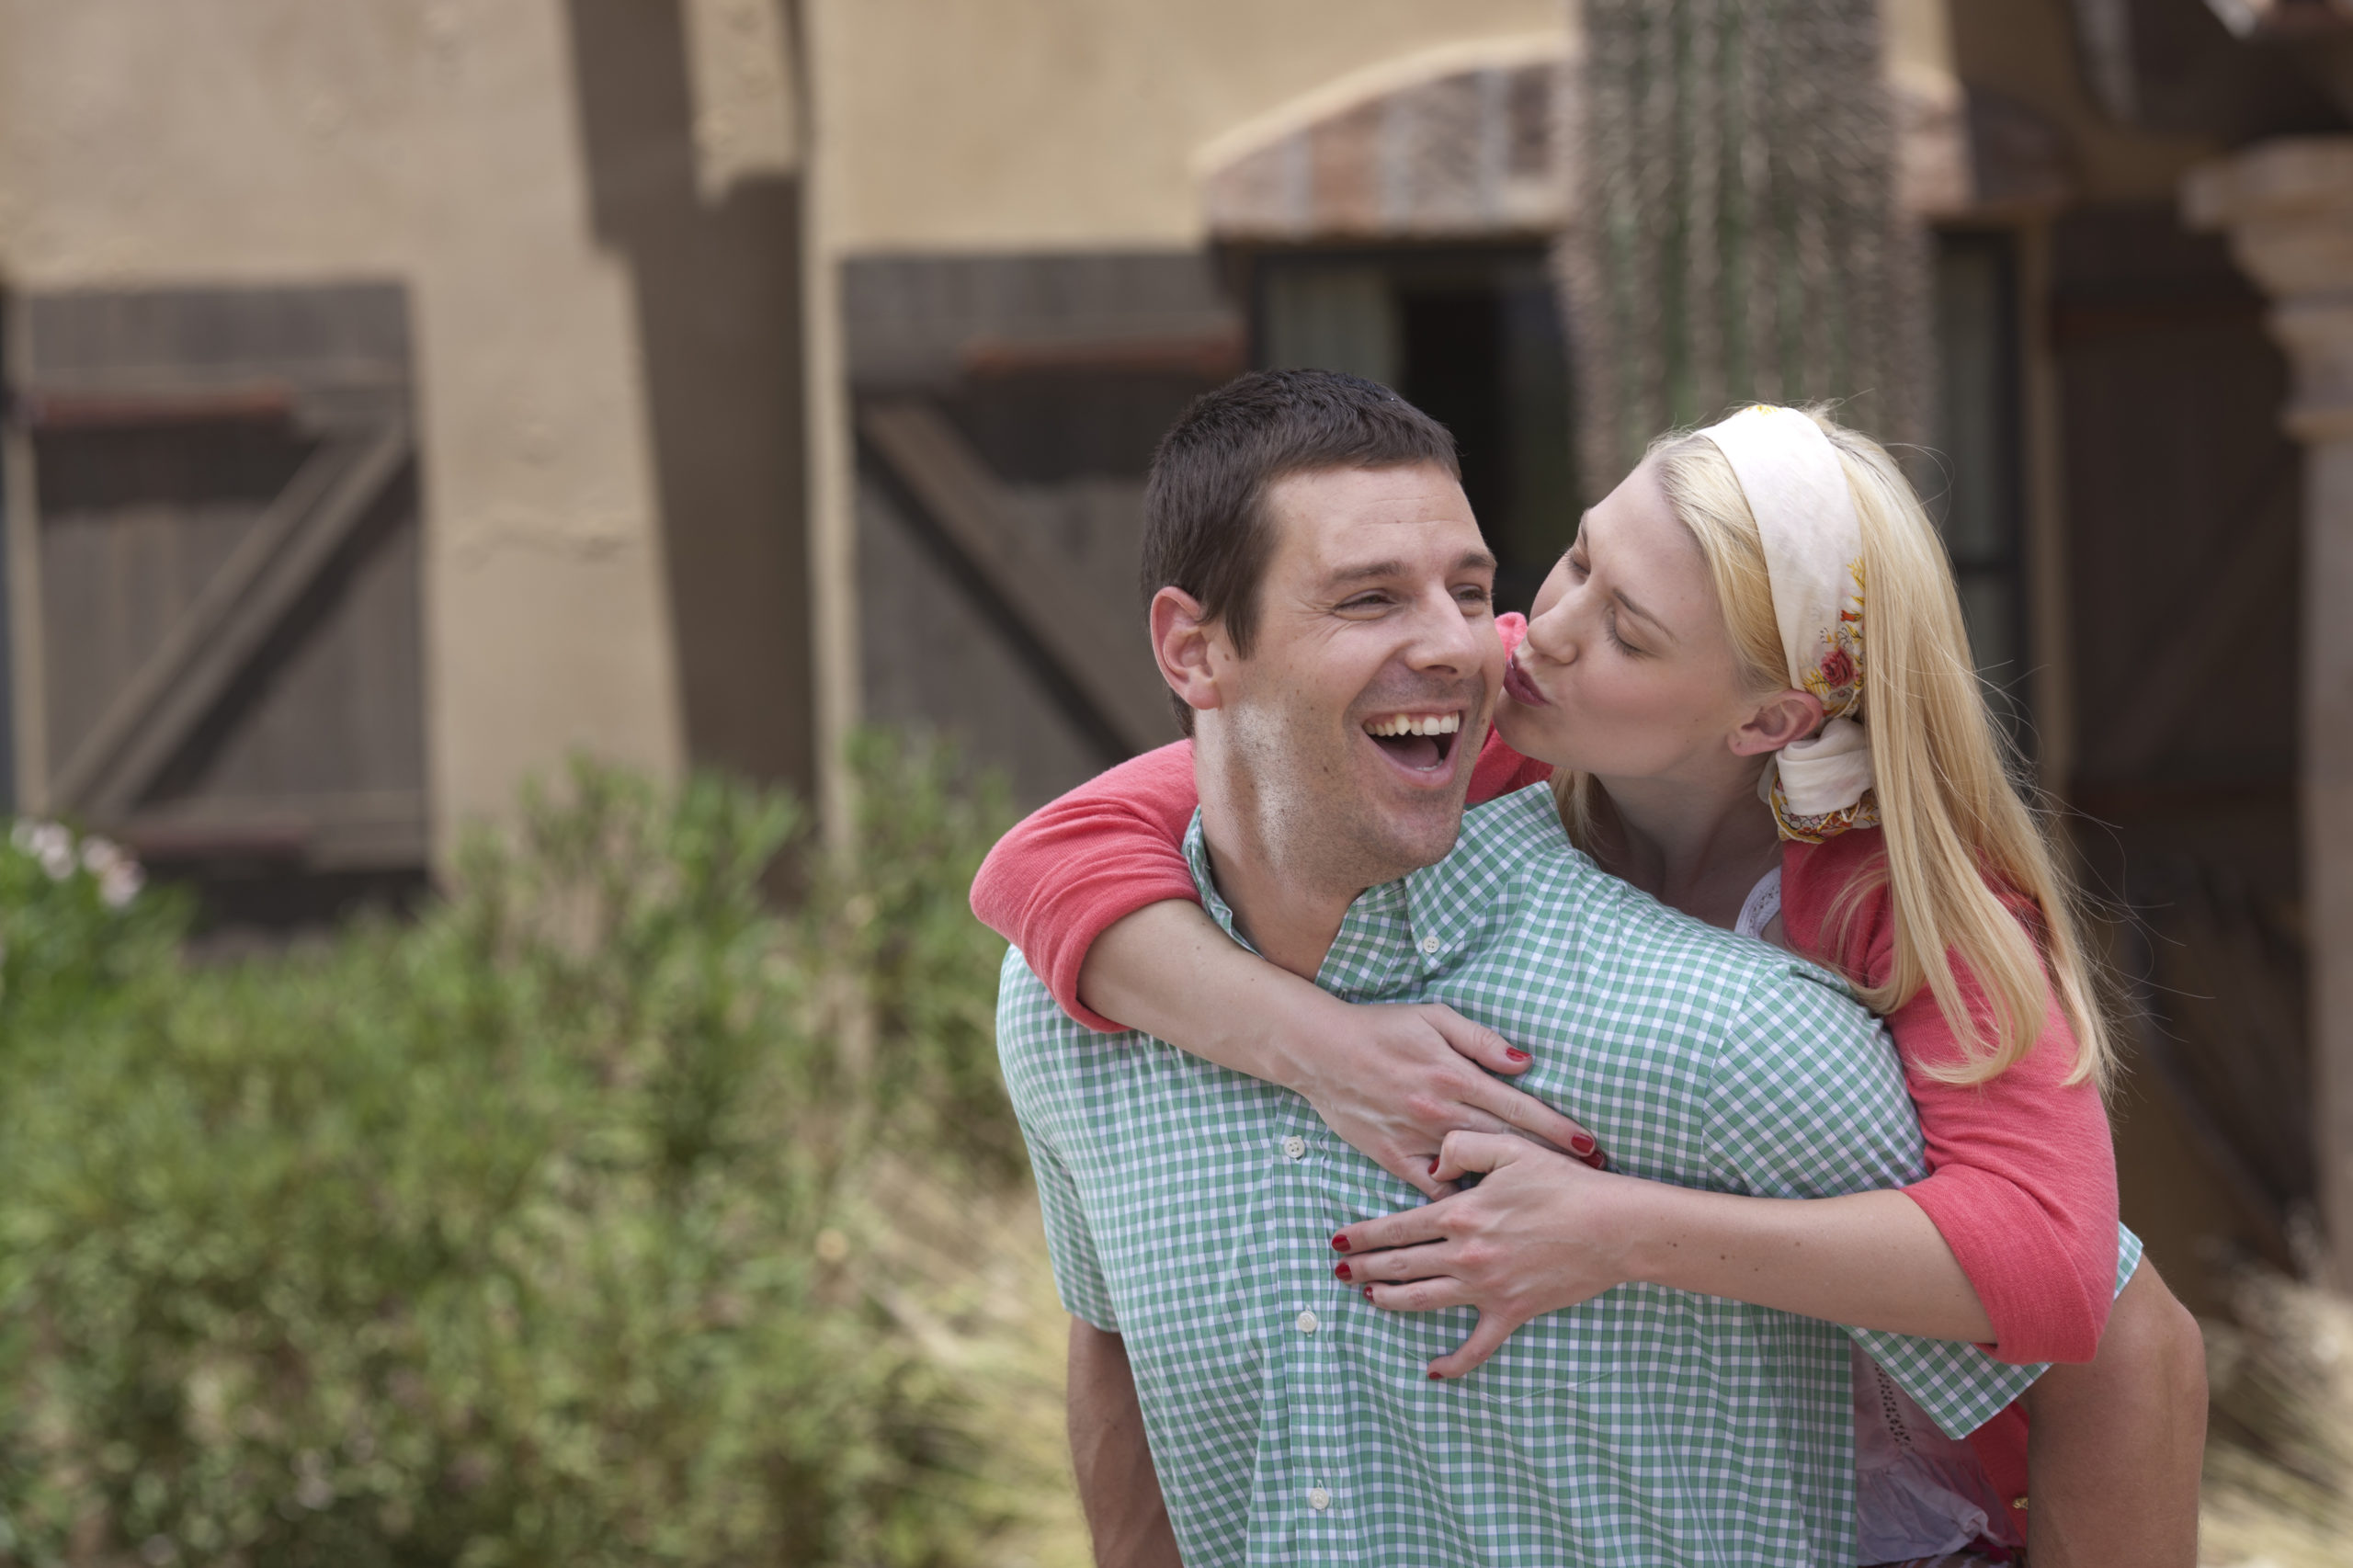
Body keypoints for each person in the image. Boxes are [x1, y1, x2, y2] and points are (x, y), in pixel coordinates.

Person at [976, 401, 2209, 1565]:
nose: (1542, 628)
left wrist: (1610, 1228)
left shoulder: (1906, 902)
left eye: (1629, 630)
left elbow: (2074, 1286)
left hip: (1915, 1489)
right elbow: (1052, 854)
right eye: (1574, 558)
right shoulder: (1503, 714)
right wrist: (1318, 1044)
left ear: (1767, 722)